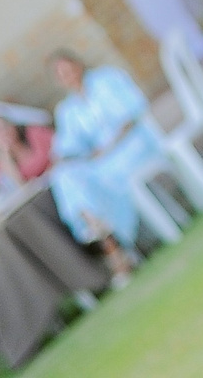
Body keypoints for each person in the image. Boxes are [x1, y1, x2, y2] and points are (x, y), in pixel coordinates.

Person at [47, 49, 155, 284]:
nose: (68, 75)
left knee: (102, 182)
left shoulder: (106, 79)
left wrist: (107, 149)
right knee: (65, 178)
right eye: (61, 74)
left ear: (79, 63)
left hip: (132, 144)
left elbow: (132, 114)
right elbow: (67, 148)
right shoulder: (67, 110)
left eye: (69, 68)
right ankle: (111, 244)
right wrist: (69, 159)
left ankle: (118, 253)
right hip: (102, 160)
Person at [0, 113, 56, 199]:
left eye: (6, 126)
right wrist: (5, 156)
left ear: (13, 127)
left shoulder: (34, 133)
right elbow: (20, 190)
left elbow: (61, 149)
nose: (4, 132)